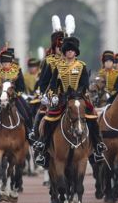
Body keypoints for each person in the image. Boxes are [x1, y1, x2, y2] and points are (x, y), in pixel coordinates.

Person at [33, 36, 106, 167]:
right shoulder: (58, 67)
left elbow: (84, 83)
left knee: (92, 117)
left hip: (78, 97)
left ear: (75, 52)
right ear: (65, 52)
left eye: (72, 50)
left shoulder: (81, 66)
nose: (70, 52)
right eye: (68, 50)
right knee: (49, 118)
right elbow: (53, 84)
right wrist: (53, 95)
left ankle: (98, 145)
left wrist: (78, 94)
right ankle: (43, 145)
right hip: (62, 98)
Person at [0, 49, 32, 146]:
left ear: (11, 62)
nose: (6, 64)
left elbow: (21, 86)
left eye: (7, 62)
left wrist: (15, 94)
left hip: (15, 98)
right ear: (1, 63)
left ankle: (30, 133)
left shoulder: (17, 71)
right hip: (1, 98)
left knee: (26, 112)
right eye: (4, 62)